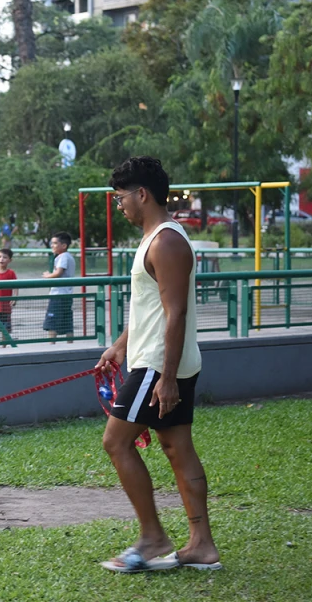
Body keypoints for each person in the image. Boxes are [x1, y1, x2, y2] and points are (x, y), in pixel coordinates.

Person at [96, 156, 217, 573]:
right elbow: (153, 309)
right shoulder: (156, 239)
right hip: (155, 360)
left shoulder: (166, 241)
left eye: (121, 198)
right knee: (176, 447)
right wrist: (118, 346)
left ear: (142, 194)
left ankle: (152, 538)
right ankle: (201, 545)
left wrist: (165, 379)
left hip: (157, 367)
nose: (120, 206)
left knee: (116, 442)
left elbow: (176, 313)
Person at [42, 231, 76, 340]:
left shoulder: (63, 257)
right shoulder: (67, 256)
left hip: (58, 294)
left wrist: (48, 276)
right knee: (66, 322)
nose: (52, 246)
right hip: (66, 294)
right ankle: (70, 343)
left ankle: (51, 345)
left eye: (55, 243)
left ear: (64, 245)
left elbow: (59, 272)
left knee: (53, 323)